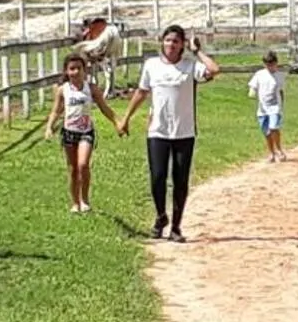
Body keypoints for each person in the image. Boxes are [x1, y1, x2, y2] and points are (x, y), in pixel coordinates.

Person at [119, 24, 219, 242]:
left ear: (182, 44)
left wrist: (197, 51)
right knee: (158, 177)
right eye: (168, 40)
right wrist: (126, 118)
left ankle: (176, 227)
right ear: (161, 42)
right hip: (158, 130)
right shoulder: (151, 65)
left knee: (180, 180)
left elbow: (214, 70)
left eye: (176, 41)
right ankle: (161, 216)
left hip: (184, 131)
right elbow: (142, 92)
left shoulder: (190, 66)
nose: (171, 45)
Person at [43, 52, 120, 214]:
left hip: (86, 132)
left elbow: (104, 108)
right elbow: (56, 111)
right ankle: (75, 202)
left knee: (83, 165)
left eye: (79, 68)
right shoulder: (62, 90)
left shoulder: (91, 89)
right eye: (72, 68)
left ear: (85, 70)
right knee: (73, 169)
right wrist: (49, 127)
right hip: (69, 133)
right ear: (66, 71)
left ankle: (85, 200)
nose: (76, 72)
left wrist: (117, 122)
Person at [249, 50, 288, 164]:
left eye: (272, 64)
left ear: (276, 63)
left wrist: (281, 106)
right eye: (268, 65)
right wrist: (252, 91)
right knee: (267, 132)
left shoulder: (279, 76)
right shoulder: (260, 74)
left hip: (275, 107)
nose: (270, 67)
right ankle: (271, 153)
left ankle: (279, 149)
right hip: (263, 109)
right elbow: (254, 85)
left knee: (273, 127)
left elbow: (281, 91)